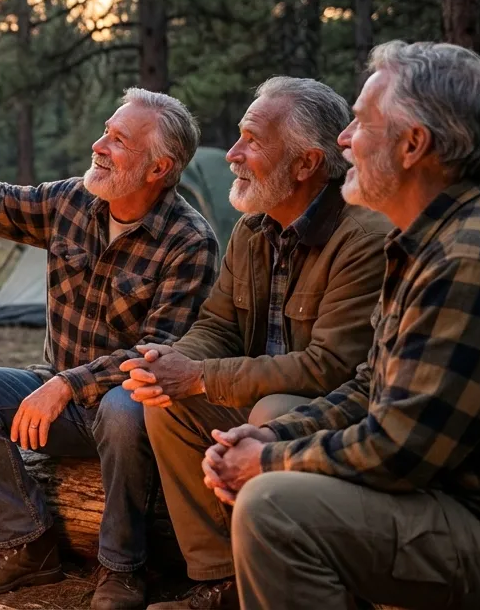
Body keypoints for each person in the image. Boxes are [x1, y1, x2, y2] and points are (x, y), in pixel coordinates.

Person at [210, 42, 480, 609]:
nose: (342, 140)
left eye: (359, 123)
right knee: (275, 458)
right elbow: (369, 385)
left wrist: (263, 461)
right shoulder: (429, 239)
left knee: (274, 509)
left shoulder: (469, 262)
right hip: (451, 499)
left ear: (413, 145)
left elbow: (399, 450)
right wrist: (272, 435)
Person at [0, 92, 219, 608]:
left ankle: (123, 569)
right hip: (59, 400)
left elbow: (157, 352)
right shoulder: (71, 201)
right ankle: (27, 546)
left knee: (125, 407)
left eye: (118, 140)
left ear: (159, 167)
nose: (99, 145)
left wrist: (67, 384)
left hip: (129, 409)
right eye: (105, 131)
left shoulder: (190, 241)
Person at [116, 78, 390, 609]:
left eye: (252, 141)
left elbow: (331, 367)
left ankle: (278, 573)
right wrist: (171, 362)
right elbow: (218, 324)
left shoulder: (361, 238)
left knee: (269, 409)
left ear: (307, 163)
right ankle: (220, 578)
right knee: (163, 405)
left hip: (335, 412)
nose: (234, 155)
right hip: (261, 394)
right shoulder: (253, 227)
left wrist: (199, 376)